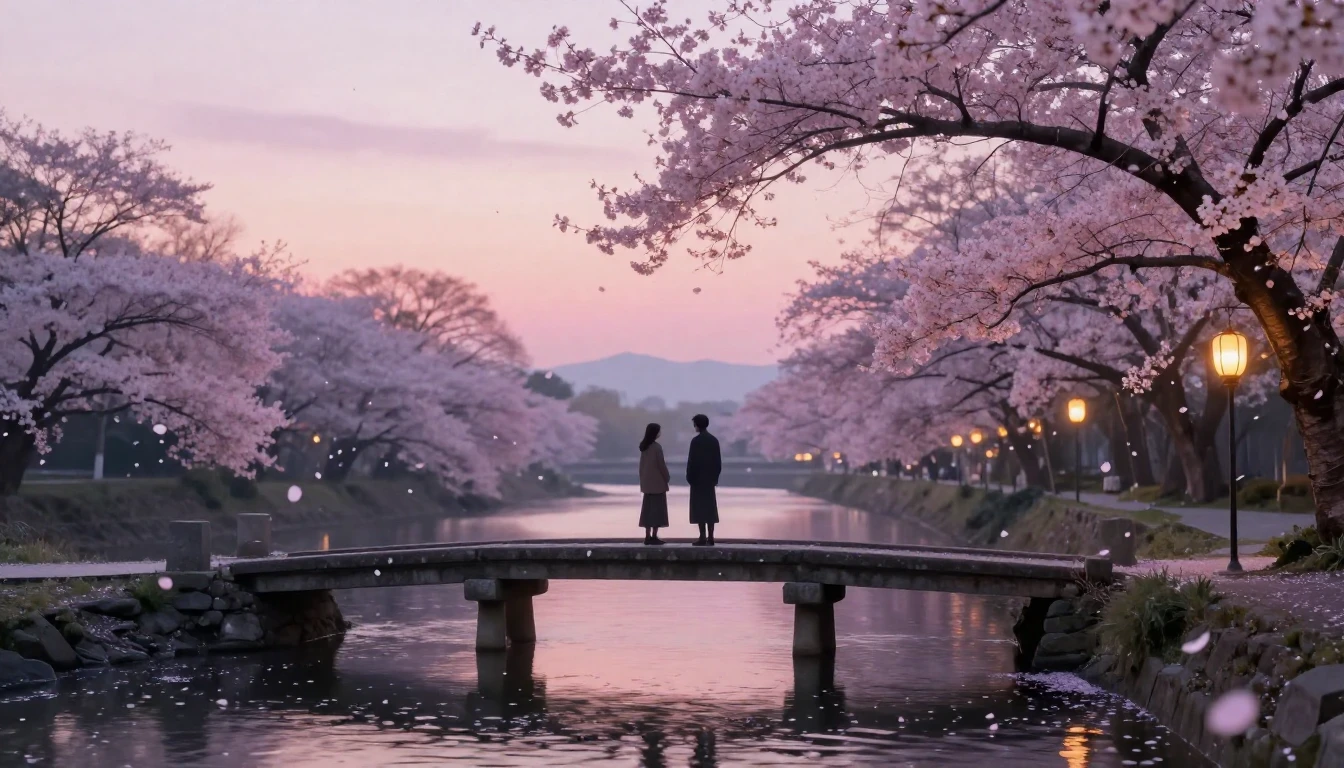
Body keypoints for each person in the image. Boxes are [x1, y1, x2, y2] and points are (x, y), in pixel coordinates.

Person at [685, 413, 721, 545]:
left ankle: (702, 537)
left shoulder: (695, 441)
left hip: (697, 480)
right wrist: (715, 478)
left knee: (699, 508)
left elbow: (691, 461)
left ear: (697, 425)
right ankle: (711, 537)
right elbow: (718, 462)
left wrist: (690, 477)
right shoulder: (714, 440)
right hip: (710, 480)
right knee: (710, 508)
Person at [637, 422, 670, 545]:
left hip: (647, 484)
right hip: (658, 483)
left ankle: (647, 536)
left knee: (647, 511)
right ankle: (654, 536)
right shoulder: (656, 447)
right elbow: (661, 465)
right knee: (657, 510)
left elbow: (641, 467)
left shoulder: (644, 447)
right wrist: (667, 477)